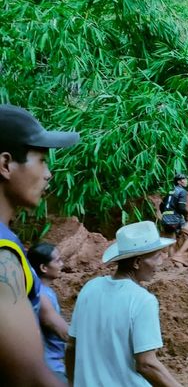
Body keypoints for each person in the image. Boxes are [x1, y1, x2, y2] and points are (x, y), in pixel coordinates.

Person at [0, 104, 78, 386]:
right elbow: (30, 376)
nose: (48, 174)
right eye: (42, 160)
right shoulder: (3, 255)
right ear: (5, 165)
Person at [66, 221, 181, 386]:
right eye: (156, 257)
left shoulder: (90, 288)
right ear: (137, 263)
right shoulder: (143, 300)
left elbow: (71, 347)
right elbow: (147, 364)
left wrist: (72, 382)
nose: (160, 263)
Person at [28, 242, 69, 384]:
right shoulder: (42, 295)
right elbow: (64, 333)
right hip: (50, 367)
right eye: (57, 261)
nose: (62, 264)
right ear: (44, 268)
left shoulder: (42, 291)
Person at [159, 173, 188, 266]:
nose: (186, 181)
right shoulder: (182, 191)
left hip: (165, 218)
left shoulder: (170, 191)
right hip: (175, 218)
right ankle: (179, 255)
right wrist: (186, 215)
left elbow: (161, 206)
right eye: (185, 179)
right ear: (179, 182)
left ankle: (173, 263)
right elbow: (181, 208)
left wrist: (166, 214)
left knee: (172, 242)